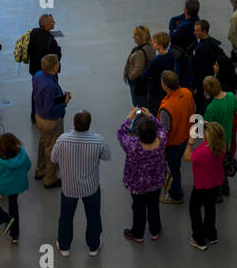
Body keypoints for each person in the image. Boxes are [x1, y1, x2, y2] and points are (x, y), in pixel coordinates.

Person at [49, 110, 110, 256]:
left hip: (69, 187)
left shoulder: (62, 140)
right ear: (89, 124)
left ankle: (64, 246)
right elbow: (107, 156)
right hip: (91, 187)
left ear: (74, 124)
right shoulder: (98, 140)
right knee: (93, 216)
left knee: (66, 216)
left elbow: (53, 158)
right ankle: (93, 246)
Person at [117, 107, 167, 243]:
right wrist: (150, 116)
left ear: (138, 134)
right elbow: (162, 127)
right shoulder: (161, 140)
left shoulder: (132, 145)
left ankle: (137, 233)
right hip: (156, 182)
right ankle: (155, 230)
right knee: (154, 206)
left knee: (138, 208)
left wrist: (130, 117)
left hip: (137, 185)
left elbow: (121, 133)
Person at [184, 121, 226, 249]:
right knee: (210, 206)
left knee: (194, 207)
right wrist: (210, 125)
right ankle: (211, 234)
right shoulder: (222, 145)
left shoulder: (203, 151)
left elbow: (186, 157)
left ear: (210, 137)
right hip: (216, 181)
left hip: (202, 184)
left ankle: (199, 238)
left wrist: (191, 140)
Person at [32, 54, 69, 189]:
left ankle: (40, 170)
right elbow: (50, 109)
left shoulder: (38, 76)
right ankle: (50, 178)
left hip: (39, 116)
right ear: (54, 67)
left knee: (43, 143)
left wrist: (59, 97)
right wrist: (64, 102)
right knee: (52, 148)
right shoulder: (50, 86)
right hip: (50, 121)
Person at [157, 71, 195, 204]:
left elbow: (164, 131)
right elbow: (193, 111)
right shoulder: (187, 92)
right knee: (176, 165)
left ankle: (176, 195)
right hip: (185, 138)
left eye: (161, 81)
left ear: (166, 86)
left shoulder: (166, 107)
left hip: (172, 144)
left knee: (174, 169)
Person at [201, 75, 237, 199]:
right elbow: (235, 109)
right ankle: (226, 188)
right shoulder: (231, 96)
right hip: (227, 138)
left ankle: (217, 195)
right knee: (224, 162)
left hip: (215, 142)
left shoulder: (211, 108)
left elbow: (207, 129)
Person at [189, 19, 224, 115]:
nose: (194, 32)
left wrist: (194, 86)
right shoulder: (212, 42)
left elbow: (198, 70)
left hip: (201, 83)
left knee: (200, 107)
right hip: (210, 78)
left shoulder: (202, 49)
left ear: (204, 31)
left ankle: (200, 129)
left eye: (197, 30)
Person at [168, 0, 200, 91]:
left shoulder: (185, 26)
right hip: (188, 53)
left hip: (182, 57)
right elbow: (173, 19)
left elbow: (172, 37)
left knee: (182, 80)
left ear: (186, 9)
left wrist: (173, 30)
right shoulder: (196, 19)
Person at [140, 31, 175, 115]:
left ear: (160, 45)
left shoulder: (155, 61)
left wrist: (149, 76)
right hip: (168, 90)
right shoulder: (171, 53)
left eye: (154, 42)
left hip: (155, 93)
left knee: (155, 115)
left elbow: (144, 76)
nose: (151, 43)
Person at [123, 24, 155, 108]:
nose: (133, 36)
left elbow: (138, 69)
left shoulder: (140, 52)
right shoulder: (150, 47)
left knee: (138, 106)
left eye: (135, 35)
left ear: (141, 37)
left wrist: (130, 77)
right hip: (146, 82)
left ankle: (141, 120)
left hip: (138, 84)